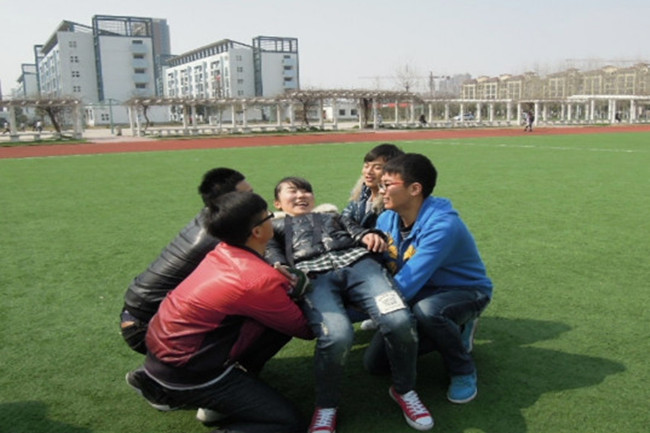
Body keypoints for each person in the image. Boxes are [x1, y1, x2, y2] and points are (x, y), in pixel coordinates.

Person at [127, 191, 314, 433]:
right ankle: (211, 395)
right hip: (192, 374)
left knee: (269, 323)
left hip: (161, 357)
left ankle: (195, 390)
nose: (273, 218)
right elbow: (304, 328)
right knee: (288, 422)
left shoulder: (221, 251)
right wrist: (299, 292)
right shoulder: (256, 279)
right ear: (257, 232)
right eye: (268, 215)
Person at [266, 176, 433, 433]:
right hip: (313, 276)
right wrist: (282, 268)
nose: (301, 195)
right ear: (278, 202)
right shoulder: (275, 227)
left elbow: (357, 229)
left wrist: (369, 235)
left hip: (360, 265)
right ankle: (326, 406)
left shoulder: (332, 216)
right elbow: (272, 254)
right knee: (337, 335)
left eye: (306, 190)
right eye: (292, 191)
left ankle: (405, 390)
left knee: (398, 319)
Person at [364, 153, 493, 405]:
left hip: (464, 291)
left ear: (415, 189)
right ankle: (455, 329)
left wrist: (362, 308)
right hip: (420, 290)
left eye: (387, 185)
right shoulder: (386, 218)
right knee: (376, 364)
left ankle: (462, 369)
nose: (381, 191)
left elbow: (408, 283)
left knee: (428, 311)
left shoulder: (442, 225)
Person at [120, 168, 253, 354]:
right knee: (265, 303)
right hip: (146, 328)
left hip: (139, 315)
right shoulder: (221, 237)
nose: (255, 199)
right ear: (229, 203)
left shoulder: (211, 216)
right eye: (248, 195)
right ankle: (225, 367)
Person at [341, 143, 404, 326]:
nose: (368, 172)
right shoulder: (362, 193)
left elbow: (386, 241)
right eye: (366, 165)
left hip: (384, 261)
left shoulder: (393, 202)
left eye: (377, 167)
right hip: (363, 255)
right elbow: (344, 221)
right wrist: (360, 234)